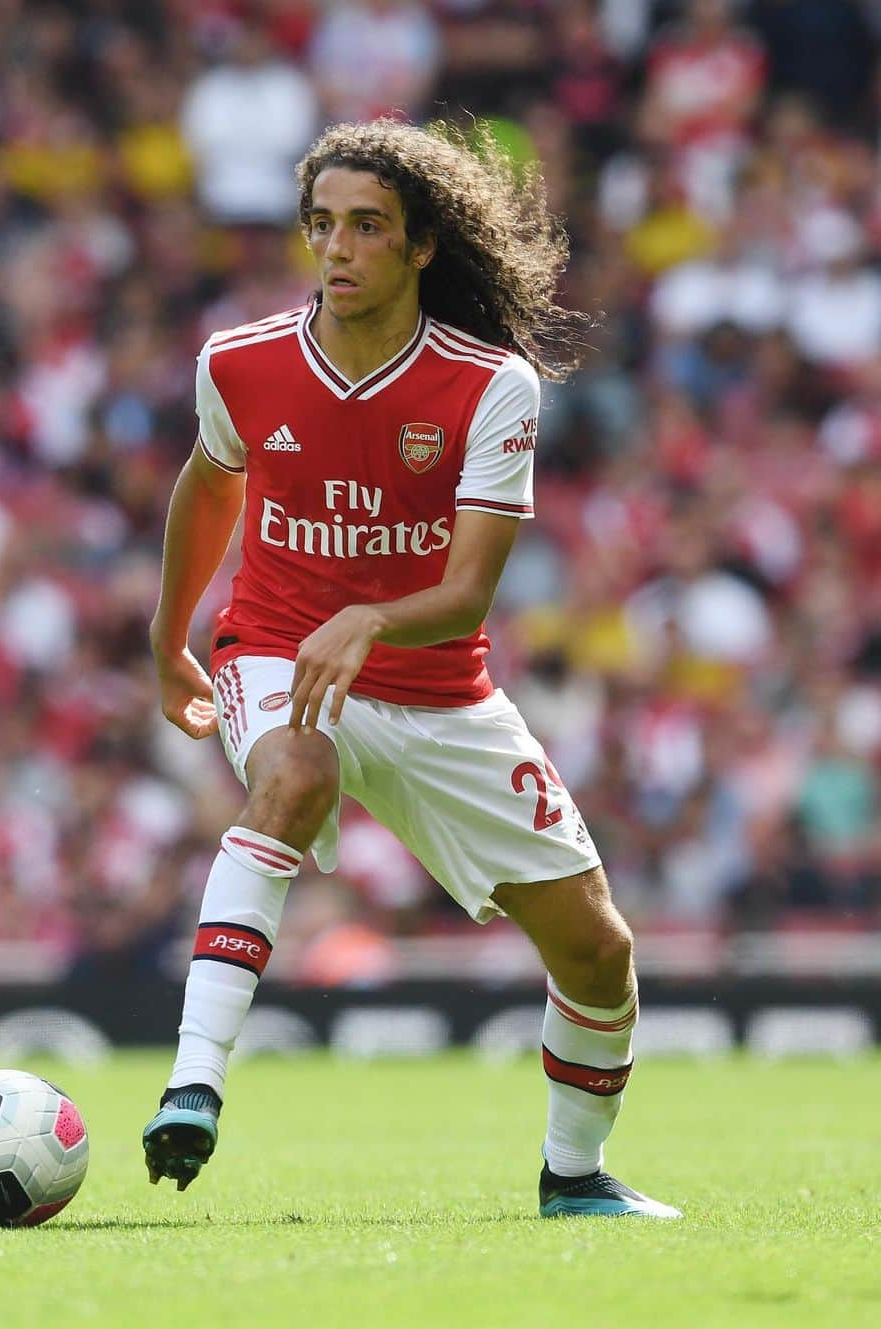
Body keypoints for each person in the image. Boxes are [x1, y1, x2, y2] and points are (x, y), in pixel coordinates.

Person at [142, 119, 681, 1219]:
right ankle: (193, 1083)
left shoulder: (492, 388)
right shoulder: (238, 363)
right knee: (291, 775)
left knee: (597, 953)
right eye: (323, 226)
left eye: (368, 228)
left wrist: (374, 619)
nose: (339, 250)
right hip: (281, 650)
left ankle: (573, 1180)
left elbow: (470, 595)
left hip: (437, 687)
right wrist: (168, 640)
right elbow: (210, 488)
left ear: (422, 244)